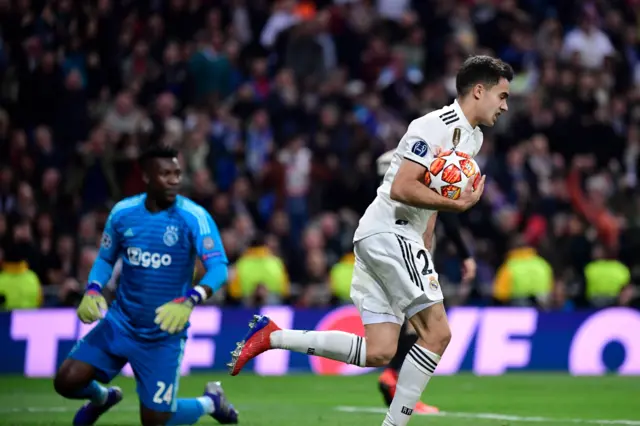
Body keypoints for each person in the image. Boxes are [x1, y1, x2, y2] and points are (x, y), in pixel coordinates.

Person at [227, 55, 512, 426]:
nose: (505, 106)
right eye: (502, 96)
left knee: (379, 352)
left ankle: (273, 336)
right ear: (479, 90)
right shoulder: (433, 125)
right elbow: (401, 186)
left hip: (392, 236)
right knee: (438, 334)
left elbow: (433, 199)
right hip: (390, 230)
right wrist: (455, 204)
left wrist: (427, 241)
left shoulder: (472, 138)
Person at [53, 145, 239, 425]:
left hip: (162, 335)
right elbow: (105, 258)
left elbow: (218, 267)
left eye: (177, 173)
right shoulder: (123, 213)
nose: (174, 180)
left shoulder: (194, 216)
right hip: (120, 324)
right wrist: (92, 289)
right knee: (66, 381)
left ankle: (210, 402)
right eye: (165, 174)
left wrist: (191, 299)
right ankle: (104, 397)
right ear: (147, 177)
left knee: (155, 421)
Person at [374, 151, 477, 415]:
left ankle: (396, 387)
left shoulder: (384, 195)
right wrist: (466, 255)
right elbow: (449, 218)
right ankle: (395, 377)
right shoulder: (422, 185)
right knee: (425, 331)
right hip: (416, 262)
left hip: (386, 259)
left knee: (406, 328)